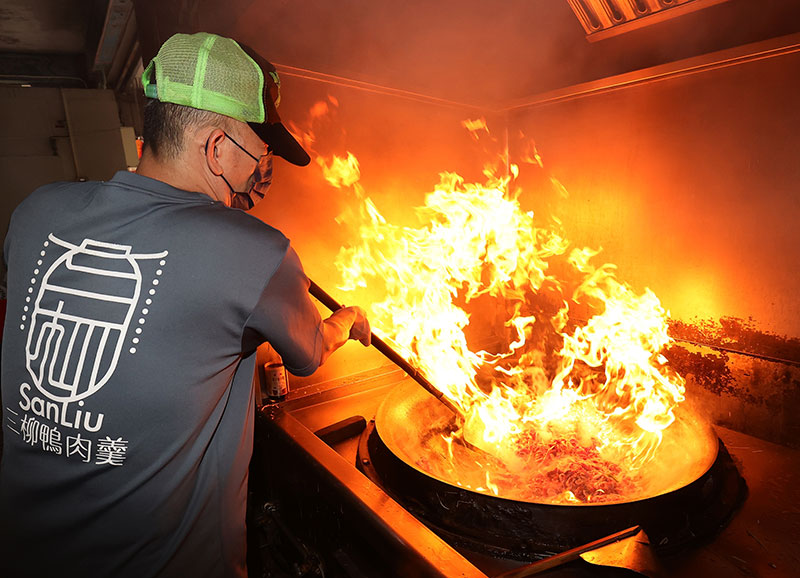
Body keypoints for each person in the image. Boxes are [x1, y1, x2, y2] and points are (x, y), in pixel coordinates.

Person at [0, 32, 370, 578]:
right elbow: (310, 352)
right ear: (217, 148)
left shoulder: (35, 213)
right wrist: (346, 320)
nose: (262, 169)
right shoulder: (256, 250)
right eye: (260, 151)